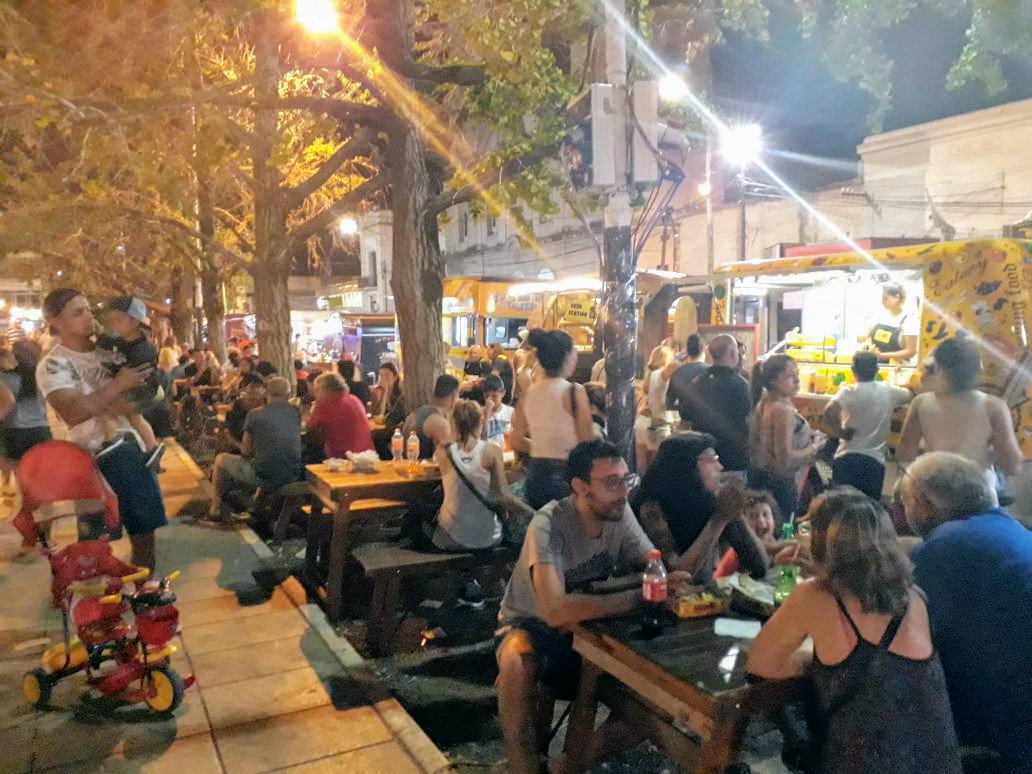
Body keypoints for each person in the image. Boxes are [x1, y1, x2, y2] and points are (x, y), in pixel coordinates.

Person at [747, 488, 962, 774]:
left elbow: (760, 663)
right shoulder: (914, 597)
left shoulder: (814, 596)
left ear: (822, 541)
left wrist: (814, 657)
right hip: (937, 761)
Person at [496, 440, 665, 774]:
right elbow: (554, 611)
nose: (623, 492)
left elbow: (653, 563)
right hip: (532, 625)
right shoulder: (549, 524)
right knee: (517, 661)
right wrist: (638, 597)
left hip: (592, 629)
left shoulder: (619, 512)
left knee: (659, 705)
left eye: (626, 480)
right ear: (580, 487)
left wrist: (665, 574)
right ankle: (522, 765)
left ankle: (567, 765)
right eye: (612, 483)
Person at [900, 453, 1032, 772]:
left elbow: (903, 627)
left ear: (922, 503)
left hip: (1005, 722)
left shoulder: (947, 545)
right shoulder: (1008, 528)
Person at [36, 288, 166, 571]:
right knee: (94, 542)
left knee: (144, 532)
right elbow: (73, 411)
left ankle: (144, 587)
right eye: (77, 313)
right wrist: (119, 386)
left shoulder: (111, 349)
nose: (88, 317)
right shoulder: (54, 364)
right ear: (55, 321)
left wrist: (103, 402)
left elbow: (153, 394)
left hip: (132, 449)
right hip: (91, 459)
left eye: (88, 310)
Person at [633, 432, 769, 583]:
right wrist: (718, 520)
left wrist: (736, 513)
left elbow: (759, 566)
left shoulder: (710, 499)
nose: (720, 466)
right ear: (686, 466)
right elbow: (675, 575)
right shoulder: (652, 508)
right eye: (712, 460)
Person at [897, 336, 1021, 499]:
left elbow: (905, 454)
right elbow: (1012, 465)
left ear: (938, 367)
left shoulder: (921, 403)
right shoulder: (994, 406)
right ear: (978, 368)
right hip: (979, 492)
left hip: (936, 490)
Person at [432, 399, 533, 564]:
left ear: (454, 423)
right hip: (488, 538)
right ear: (480, 422)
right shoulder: (493, 452)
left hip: (450, 538)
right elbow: (502, 496)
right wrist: (532, 514)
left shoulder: (442, 452)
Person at [510, 329, 594, 509]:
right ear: (567, 357)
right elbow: (587, 444)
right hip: (567, 478)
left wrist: (542, 448)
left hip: (536, 477)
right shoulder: (574, 392)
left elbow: (515, 441)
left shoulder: (529, 393)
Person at [822, 351, 912, 499]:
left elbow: (829, 411)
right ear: (877, 370)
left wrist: (841, 432)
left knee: (841, 505)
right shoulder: (889, 390)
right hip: (874, 461)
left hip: (846, 457)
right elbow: (910, 395)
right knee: (869, 506)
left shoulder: (848, 391)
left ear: (853, 370)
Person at [208, 376, 301, 520]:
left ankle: (215, 508)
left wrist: (231, 440)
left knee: (221, 460)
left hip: (265, 475)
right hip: (293, 473)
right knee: (268, 460)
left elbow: (245, 451)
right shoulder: (295, 411)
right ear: (288, 394)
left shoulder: (254, 414)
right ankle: (255, 508)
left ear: (265, 393)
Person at [748, 354, 826, 521]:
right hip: (780, 483)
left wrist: (805, 435)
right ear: (773, 381)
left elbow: (759, 442)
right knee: (784, 526)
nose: (797, 380)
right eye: (790, 376)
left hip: (761, 476)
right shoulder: (783, 411)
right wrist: (815, 446)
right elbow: (785, 459)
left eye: (797, 374)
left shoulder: (765, 402)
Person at [98, 296, 165, 470]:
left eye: (118, 320)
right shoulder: (124, 341)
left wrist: (116, 372)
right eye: (111, 320)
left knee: (107, 409)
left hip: (142, 389)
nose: (113, 324)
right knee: (136, 418)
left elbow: (135, 370)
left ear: (135, 322)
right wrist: (99, 336)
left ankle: (111, 441)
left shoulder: (143, 348)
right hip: (141, 388)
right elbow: (110, 343)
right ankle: (152, 447)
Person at [678, 334, 752, 476]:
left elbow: (685, 416)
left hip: (705, 458)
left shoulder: (697, 382)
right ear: (733, 353)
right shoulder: (740, 384)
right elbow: (749, 419)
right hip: (733, 458)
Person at [0, 341, 52, 475]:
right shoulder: (41, 377)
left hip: (15, 432)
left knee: (20, 475)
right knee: (44, 473)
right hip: (42, 430)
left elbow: (7, 403)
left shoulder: (4, 378)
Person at [714, 490, 785, 578]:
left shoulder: (774, 540)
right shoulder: (740, 550)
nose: (761, 520)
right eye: (753, 516)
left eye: (765, 514)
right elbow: (763, 551)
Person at [306, 371, 375, 460]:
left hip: (343, 459)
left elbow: (310, 428)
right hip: (368, 456)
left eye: (316, 390)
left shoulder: (324, 404)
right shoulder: (354, 399)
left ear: (322, 389)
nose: (314, 394)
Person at [859, 281, 919, 363]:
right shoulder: (879, 316)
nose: (882, 302)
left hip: (897, 367)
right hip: (875, 364)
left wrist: (884, 355)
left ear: (897, 297)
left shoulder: (909, 320)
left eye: (885, 299)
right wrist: (863, 337)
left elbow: (911, 351)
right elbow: (866, 336)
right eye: (882, 298)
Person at [403, 374, 459, 459]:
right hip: (424, 466)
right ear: (454, 396)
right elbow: (448, 457)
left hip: (406, 463)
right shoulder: (439, 423)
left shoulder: (418, 411)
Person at [639, 345, 678, 468]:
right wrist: (682, 357)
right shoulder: (660, 374)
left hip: (642, 422)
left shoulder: (649, 375)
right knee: (660, 465)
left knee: (642, 466)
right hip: (658, 426)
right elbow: (675, 366)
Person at [665, 333, 708, 418]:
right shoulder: (710, 371)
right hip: (707, 421)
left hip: (685, 421)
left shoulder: (678, 372)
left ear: (687, 351)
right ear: (704, 350)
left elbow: (669, 403)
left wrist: (683, 407)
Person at [370, 361, 406, 459]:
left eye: (386, 375)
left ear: (395, 377)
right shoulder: (376, 392)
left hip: (395, 427)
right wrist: (384, 392)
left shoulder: (399, 395)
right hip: (383, 426)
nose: (383, 379)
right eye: (381, 375)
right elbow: (378, 414)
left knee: (377, 437)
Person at [221, 379, 265, 453]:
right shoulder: (238, 407)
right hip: (238, 449)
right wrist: (239, 445)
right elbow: (227, 431)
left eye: (255, 400)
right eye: (250, 399)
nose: (253, 403)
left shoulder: (265, 414)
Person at [481, 374, 514, 447]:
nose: (490, 400)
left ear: (503, 393)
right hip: (487, 451)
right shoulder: (479, 412)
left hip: (506, 451)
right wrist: (486, 415)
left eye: (495, 396)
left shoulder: (511, 412)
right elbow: (481, 439)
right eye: (487, 396)